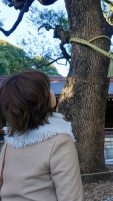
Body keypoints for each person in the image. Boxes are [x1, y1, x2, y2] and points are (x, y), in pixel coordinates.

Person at [0, 70, 83, 200]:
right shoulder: (59, 140)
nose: (52, 92)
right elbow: (71, 197)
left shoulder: (10, 140)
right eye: (48, 89)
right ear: (39, 100)